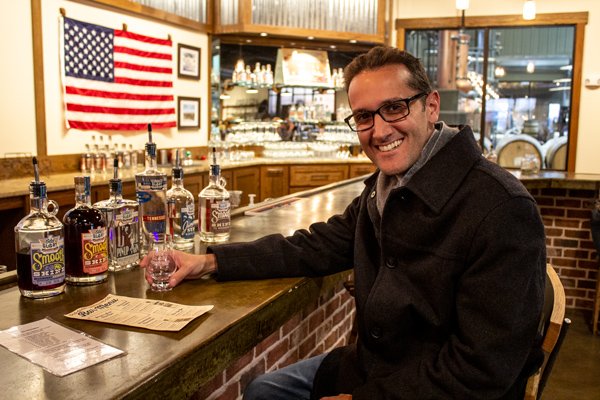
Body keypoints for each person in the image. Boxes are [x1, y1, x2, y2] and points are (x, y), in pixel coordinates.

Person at [142, 46, 546, 399]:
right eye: (364, 116)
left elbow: (483, 369)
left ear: (432, 106)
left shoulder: (501, 208)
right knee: (263, 389)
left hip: (430, 388)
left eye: (394, 107)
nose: (380, 130)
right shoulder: (386, 186)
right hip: (372, 368)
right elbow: (314, 245)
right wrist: (210, 262)